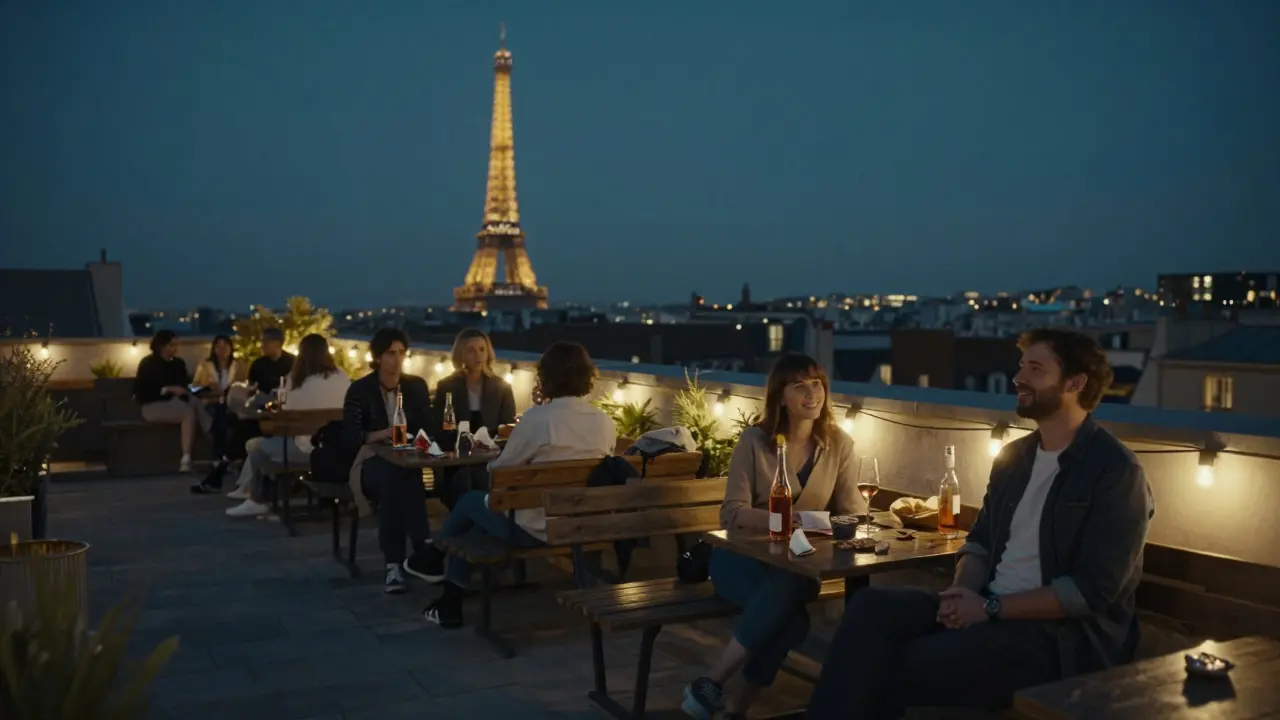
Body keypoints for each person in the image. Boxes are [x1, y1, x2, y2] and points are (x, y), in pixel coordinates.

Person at [806, 329, 1155, 719]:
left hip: (1059, 638)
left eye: (1035, 369)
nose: (1018, 378)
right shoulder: (1015, 458)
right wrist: (960, 594)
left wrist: (989, 607)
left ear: (1075, 384)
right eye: (1021, 366)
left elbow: (1090, 592)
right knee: (870, 607)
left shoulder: (1114, 471)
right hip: (988, 605)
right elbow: (981, 542)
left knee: (896, 663)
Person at [681, 353, 863, 720]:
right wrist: (787, 520)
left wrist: (810, 522)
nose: (812, 394)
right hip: (740, 560)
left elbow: (853, 512)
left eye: (817, 384)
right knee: (793, 621)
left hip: (799, 563)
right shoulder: (755, 441)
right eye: (799, 386)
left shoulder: (839, 443)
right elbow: (732, 513)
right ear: (780, 396)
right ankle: (737, 707)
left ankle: (712, 684)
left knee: (789, 589)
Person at [418, 341, 616, 628]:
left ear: (546, 377)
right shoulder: (604, 422)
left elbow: (499, 472)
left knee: (470, 502)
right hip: (582, 525)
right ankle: (447, 596)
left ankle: (434, 558)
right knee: (475, 525)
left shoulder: (538, 419)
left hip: (535, 529)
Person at [342, 328, 435, 594]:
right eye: (391, 353)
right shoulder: (360, 390)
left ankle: (394, 564)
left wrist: (419, 438)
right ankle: (421, 546)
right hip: (371, 458)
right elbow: (351, 437)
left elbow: (428, 426)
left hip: (409, 458)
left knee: (402, 477)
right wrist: (383, 434)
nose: (397, 359)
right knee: (396, 478)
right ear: (378, 357)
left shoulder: (415, 386)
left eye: (401, 353)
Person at [226, 334, 350, 517]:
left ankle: (257, 499)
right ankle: (249, 490)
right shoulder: (342, 377)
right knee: (261, 446)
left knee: (256, 447)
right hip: (336, 451)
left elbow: (284, 415)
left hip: (304, 450)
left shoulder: (297, 380)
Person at [431, 328, 516, 507]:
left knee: (477, 478)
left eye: (482, 349)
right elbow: (439, 430)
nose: (478, 355)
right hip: (456, 461)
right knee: (465, 478)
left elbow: (507, 430)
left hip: (489, 459)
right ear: (461, 355)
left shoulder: (501, 388)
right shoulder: (447, 386)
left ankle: (470, 518)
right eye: (471, 350)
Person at [224, 327, 296, 496]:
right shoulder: (258, 365)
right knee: (243, 420)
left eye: (265, 342)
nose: (262, 345)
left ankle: (229, 462)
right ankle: (235, 464)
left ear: (277, 343)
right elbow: (252, 388)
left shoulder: (292, 363)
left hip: (282, 409)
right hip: (265, 406)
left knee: (247, 427)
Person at [133, 330, 207, 472]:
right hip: (153, 405)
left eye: (176, 345)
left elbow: (185, 385)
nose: (175, 348)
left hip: (177, 402)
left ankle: (216, 442)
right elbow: (141, 392)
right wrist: (167, 389)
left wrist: (195, 389)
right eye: (172, 345)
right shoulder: (148, 364)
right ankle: (186, 457)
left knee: (198, 404)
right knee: (188, 412)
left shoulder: (178, 364)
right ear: (162, 346)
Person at [190, 334, 240, 493]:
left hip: (231, 404)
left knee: (225, 418)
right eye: (219, 346)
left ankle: (221, 458)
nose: (222, 350)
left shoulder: (238, 366)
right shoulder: (205, 365)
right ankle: (223, 458)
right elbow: (195, 387)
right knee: (220, 415)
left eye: (225, 346)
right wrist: (211, 389)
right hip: (211, 402)